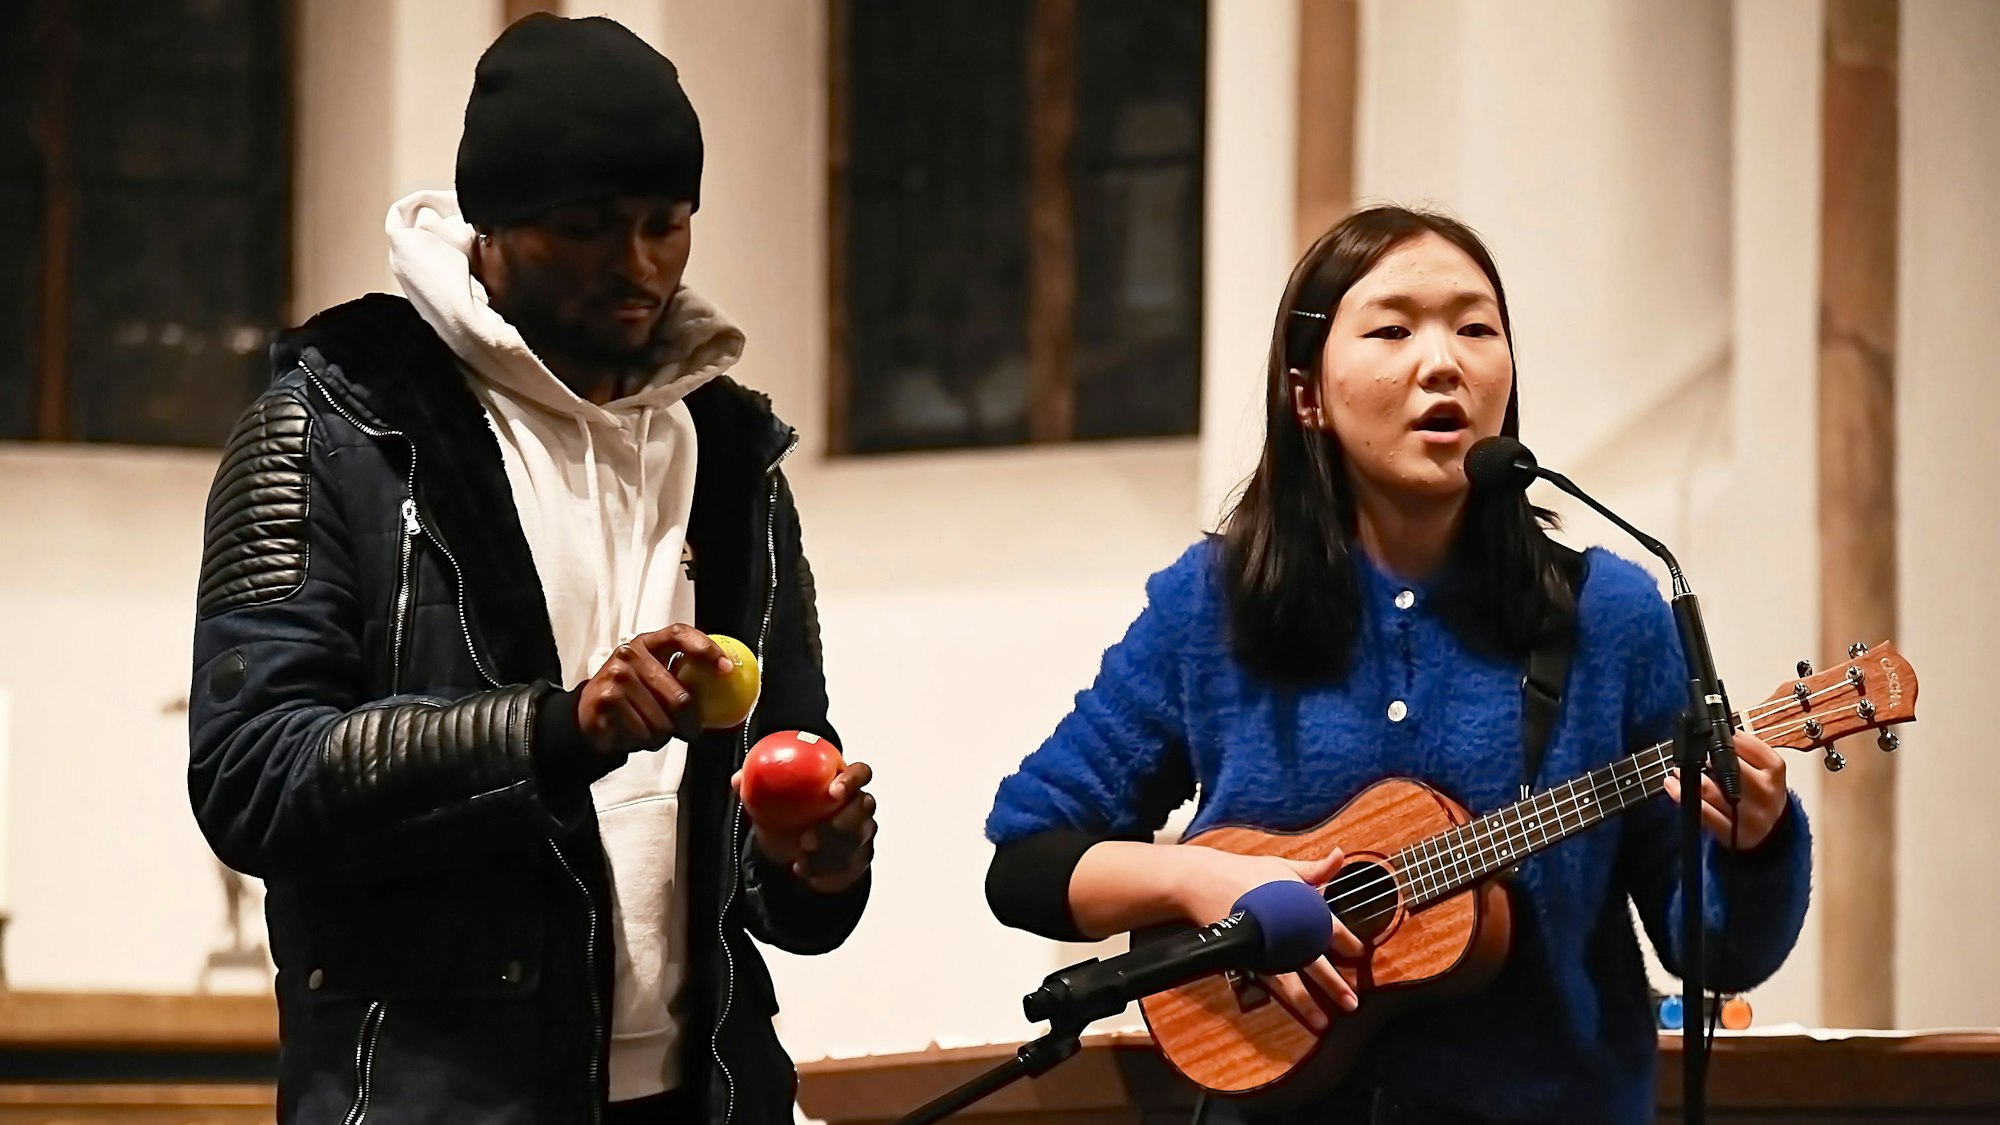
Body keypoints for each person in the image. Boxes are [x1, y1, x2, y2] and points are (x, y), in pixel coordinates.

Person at [187, 15, 875, 1124]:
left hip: (701, 1092)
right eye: (587, 228)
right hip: (438, 1098)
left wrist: (813, 858)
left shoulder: (731, 451)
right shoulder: (333, 425)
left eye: (665, 224)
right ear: (492, 228)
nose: (638, 266)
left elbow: (776, 774)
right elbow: (253, 775)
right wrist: (555, 730)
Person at [982, 206, 1809, 1124]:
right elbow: (1026, 859)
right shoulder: (1214, 604)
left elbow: (1718, 952)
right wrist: (1203, 880)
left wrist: (1757, 842)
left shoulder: (1607, 614)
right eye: (1392, 330)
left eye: (1475, 328)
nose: (1442, 362)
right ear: (1308, 394)